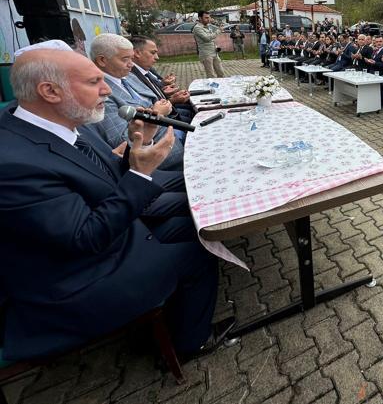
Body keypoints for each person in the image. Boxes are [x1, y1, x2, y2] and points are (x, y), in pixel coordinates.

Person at [0, 45, 223, 362]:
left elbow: (100, 173)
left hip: (109, 240)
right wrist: (141, 174)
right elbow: (86, 238)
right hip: (75, 283)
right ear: (49, 91)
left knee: (197, 227)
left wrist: (137, 147)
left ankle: (176, 312)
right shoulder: (13, 165)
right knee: (198, 253)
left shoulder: (56, 119)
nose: (107, 89)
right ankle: (189, 343)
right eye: (94, 82)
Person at [89, 34, 184, 170]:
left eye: (131, 58)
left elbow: (155, 99)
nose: (131, 64)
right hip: (162, 159)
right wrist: (157, 114)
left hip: (175, 135)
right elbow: (122, 142)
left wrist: (165, 103)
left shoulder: (127, 76)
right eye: (125, 59)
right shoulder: (100, 94)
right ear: (102, 60)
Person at [128, 36, 193, 123]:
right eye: (153, 53)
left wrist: (166, 90)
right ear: (137, 53)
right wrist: (172, 100)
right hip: (163, 122)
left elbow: (156, 94)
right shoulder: (130, 75)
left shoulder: (145, 69)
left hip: (169, 112)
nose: (157, 57)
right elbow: (148, 107)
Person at [192, 11, 225, 78]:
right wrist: (219, 31)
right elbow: (207, 38)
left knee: (221, 72)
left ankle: (221, 87)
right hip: (206, 54)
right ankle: (212, 88)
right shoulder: (197, 28)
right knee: (211, 75)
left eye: (209, 17)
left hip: (214, 52)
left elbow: (211, 39)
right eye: (206, 18)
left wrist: (216, 47)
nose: (208, 19)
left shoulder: (207, 26)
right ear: (200, 18)